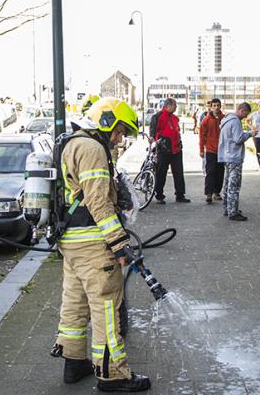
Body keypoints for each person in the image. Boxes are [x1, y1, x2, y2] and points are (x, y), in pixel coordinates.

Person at [52, 97, 151, 392]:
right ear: (106, 121)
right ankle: (113, 374)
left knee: (74, 302)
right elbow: (98, 200)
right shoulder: (93, 148)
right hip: (93, 242)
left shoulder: (71, 143)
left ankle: (73, 363)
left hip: (71, 240)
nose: (120, 138)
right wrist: (119, 243)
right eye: (119, 131)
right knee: (106, 307)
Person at [218, 103, 256, 221]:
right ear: (242, 111)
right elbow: (238, 139)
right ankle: (233, 212)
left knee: (227, 183)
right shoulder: (235, 121)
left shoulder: (226, 120)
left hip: (226, 155)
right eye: (246, 114)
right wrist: (250, 134)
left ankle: (227, 208)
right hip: (234, 156)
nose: (245, 117)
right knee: (234, 185)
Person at [151, 98, 189, 204]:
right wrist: (155, 144)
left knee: (178, 173)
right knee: (161, 173)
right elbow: (152, 133)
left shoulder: (175, 118)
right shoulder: (157, 117)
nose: (176, 107)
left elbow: (177, 132)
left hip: (176, 149)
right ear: (168, 106)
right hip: (163, 150)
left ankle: (180, 195)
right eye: (174, 105)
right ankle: (159, 195)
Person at [199, 98, 225, 203]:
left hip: (222, 150)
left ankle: (216, 192)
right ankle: (209, 193)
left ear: (220, 106)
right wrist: (201, 149)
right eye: (214, 105)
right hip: (210, 150)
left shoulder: (224, 118)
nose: (216, 107)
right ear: (211, 107)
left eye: (218, 105)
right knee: (210, 172)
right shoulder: (206, 120)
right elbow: (202, 135)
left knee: (220, 172)